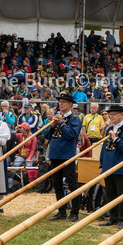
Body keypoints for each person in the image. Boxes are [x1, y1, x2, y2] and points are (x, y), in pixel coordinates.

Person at [48, 93, 83, 222]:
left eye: (63, 102)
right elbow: (47, 136)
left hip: (67, 155)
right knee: (57, 184)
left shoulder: (75, 119)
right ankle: (61, 211)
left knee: (72, 184)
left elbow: (72, 135)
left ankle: (74, 212)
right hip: (55, 154)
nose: (61, 104)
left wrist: (62, 123)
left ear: (70, 104)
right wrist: (52, 126)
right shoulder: (56, 118)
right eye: (60, 102)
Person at [99, 104, 123, 228]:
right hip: (108, 166)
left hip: (121, 167)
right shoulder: (110, 129)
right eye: (110, 115)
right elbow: (104, 148)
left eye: (113, 114)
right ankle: (113, 217)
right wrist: (101, 165)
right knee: (110, 193)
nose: (111, 117)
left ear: (121, 115)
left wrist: (116, 139)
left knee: (121, 194)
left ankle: (122, 219)